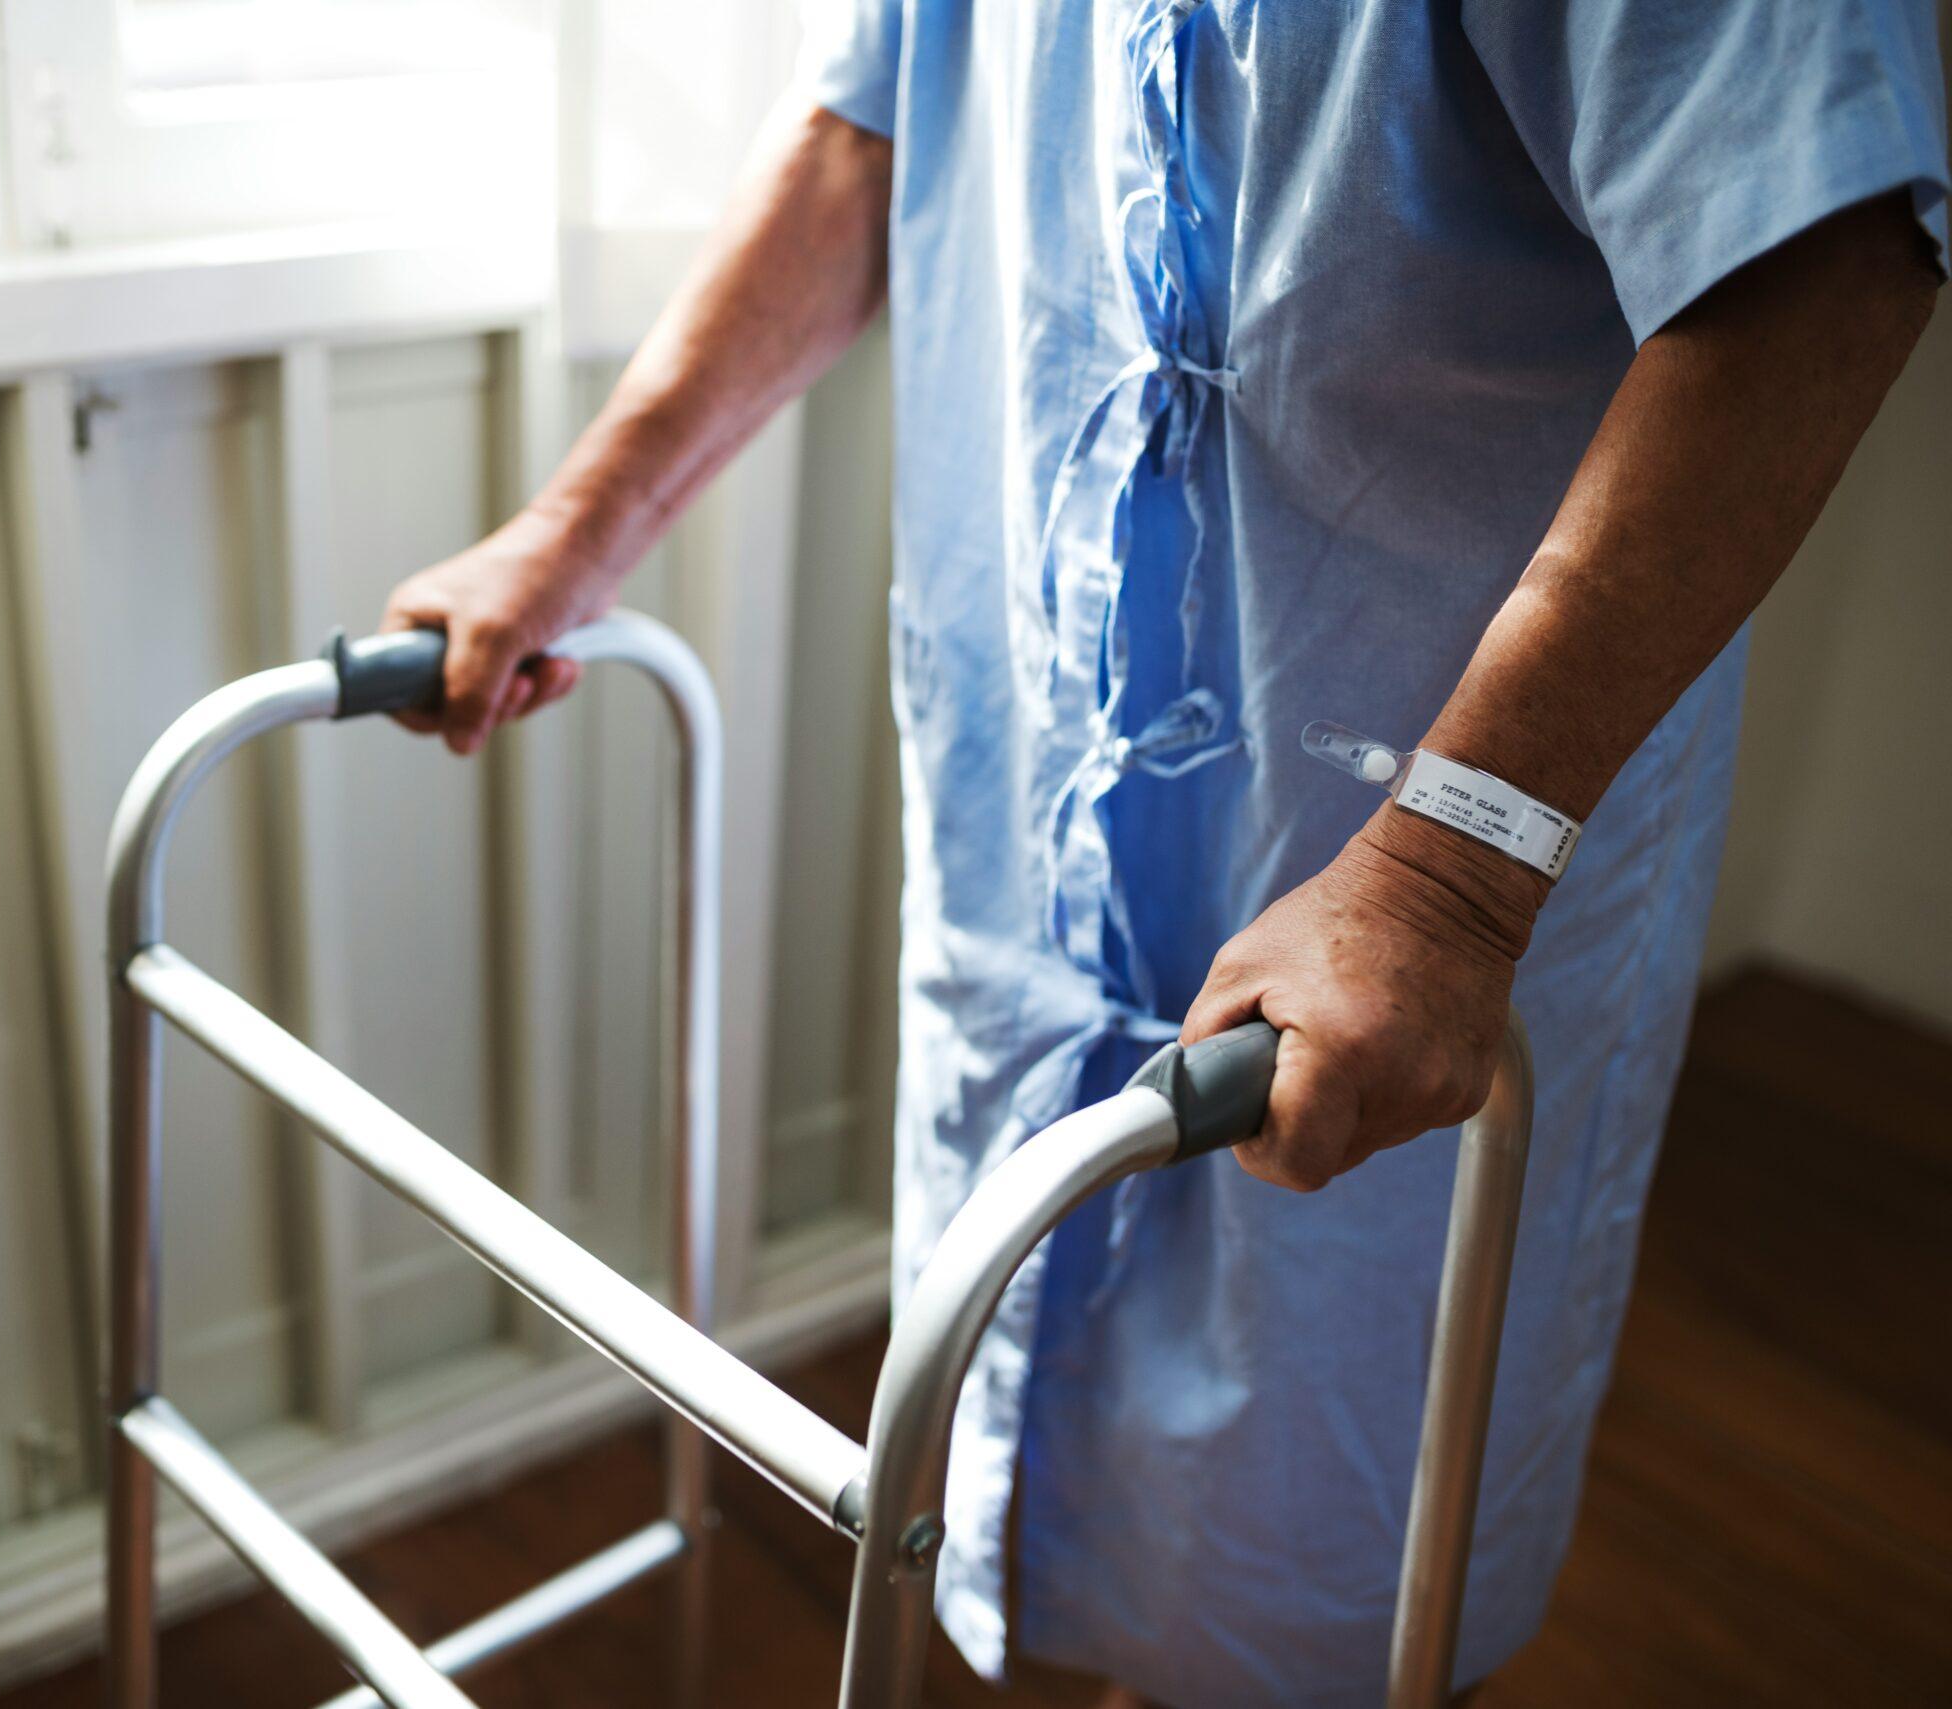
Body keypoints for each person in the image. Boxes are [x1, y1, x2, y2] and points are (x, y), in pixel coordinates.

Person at [375, 3, 1947, 1703]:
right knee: (1059, 1446)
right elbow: (863, 130)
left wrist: (1451, 872)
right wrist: (572, 530)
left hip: (1428, 834)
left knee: (1351, 1557)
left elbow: (1819, 253)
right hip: (1034, 809)